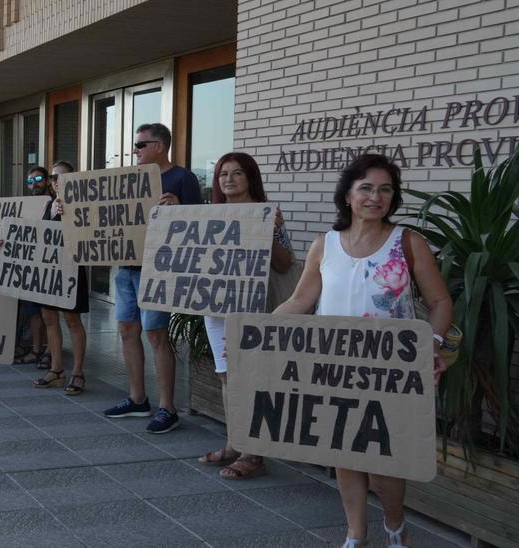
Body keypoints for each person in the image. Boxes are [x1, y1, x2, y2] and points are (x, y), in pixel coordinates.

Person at [274, 154, 451, 548]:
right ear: (348, 195)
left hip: (391, 370)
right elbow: (301, 301)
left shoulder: (408, 242)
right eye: (366, 188)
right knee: (344, 452)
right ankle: (356, 533)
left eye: (385, 189)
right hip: (334, 367)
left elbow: (440, 302)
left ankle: (395, 526)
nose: (376, 196)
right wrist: (254, 335)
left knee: (385, 461)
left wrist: (432, 344)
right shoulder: (325, 245)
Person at [197, 152, 295, 480]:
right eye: (223, 173)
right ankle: (234, 443)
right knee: (227, 376)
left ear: (250, 177)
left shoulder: (269, 214)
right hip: (217, 309)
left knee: (252, 379)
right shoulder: (208, 215)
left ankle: (253, 454)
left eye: (237, 173)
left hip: (255, 307)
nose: (229, 179)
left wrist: (268, 231)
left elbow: (284, 264)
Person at [104, 122, 203, 434]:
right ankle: (137, 399)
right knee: (126, 330)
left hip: (157, 269)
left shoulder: (182, 178)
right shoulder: (131, 180)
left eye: (140, 145)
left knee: (156, 334)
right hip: (126, 268)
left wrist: (179, 208)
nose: (135, 151)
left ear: (159, 146)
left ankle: (167, 407)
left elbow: (199, 223)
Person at [31, 161, 89, 395]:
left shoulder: (81, 203)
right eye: (54, 177)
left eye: (61, 177)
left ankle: (78, 373)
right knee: (49, 318)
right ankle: (56, 370)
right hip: (50, 270)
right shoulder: (48, 204)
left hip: (71, 269)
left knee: (72, 320)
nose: (56, 181)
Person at [14, 166, 51, 367]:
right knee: (33, 312)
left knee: (50, 314)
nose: (34, 184)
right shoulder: (26, 205)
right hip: (31, 264)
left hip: (50, 265)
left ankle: (50, 352)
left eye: (37, 179)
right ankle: (36, 351)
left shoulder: (54, 203)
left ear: (46, 180)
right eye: (30, 181)